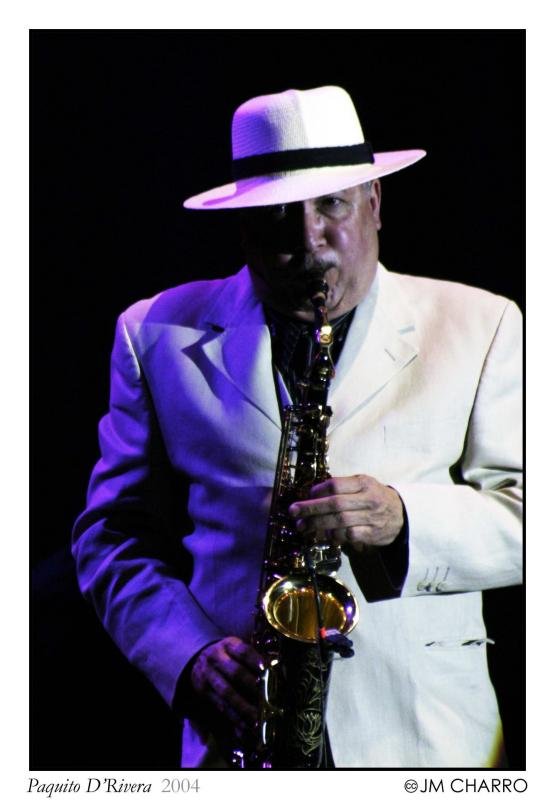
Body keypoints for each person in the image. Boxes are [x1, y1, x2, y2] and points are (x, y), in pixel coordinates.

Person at [72, 85, 522, 768]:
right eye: (277, 214)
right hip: (242, 732)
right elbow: (111, 536)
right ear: (242, 225)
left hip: (426, 736)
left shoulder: (482, 324)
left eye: (331, 205)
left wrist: (404, 518)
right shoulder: (154, 333)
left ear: (374, 202)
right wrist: (188, 655)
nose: (308, 240)